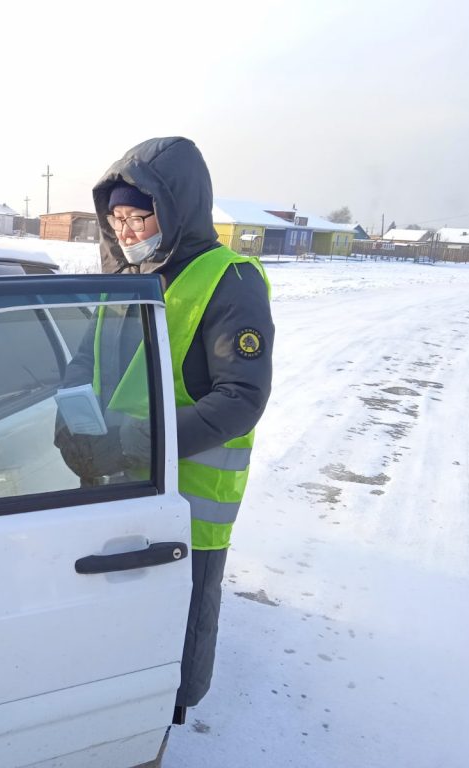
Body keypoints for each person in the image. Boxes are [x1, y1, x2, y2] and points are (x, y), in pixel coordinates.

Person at [57, 137, 274, 739]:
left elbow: (241, 397)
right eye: (118, 220)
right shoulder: (125, 277)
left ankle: (164, 721)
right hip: (112, 478)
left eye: (139, 217)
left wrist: (142, 444)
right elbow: (83, 361)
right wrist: (66, 422)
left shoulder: (229, 280)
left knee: (181, 617)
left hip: (188, 495)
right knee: (115, 602)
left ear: (176, 208)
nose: (126, 231)